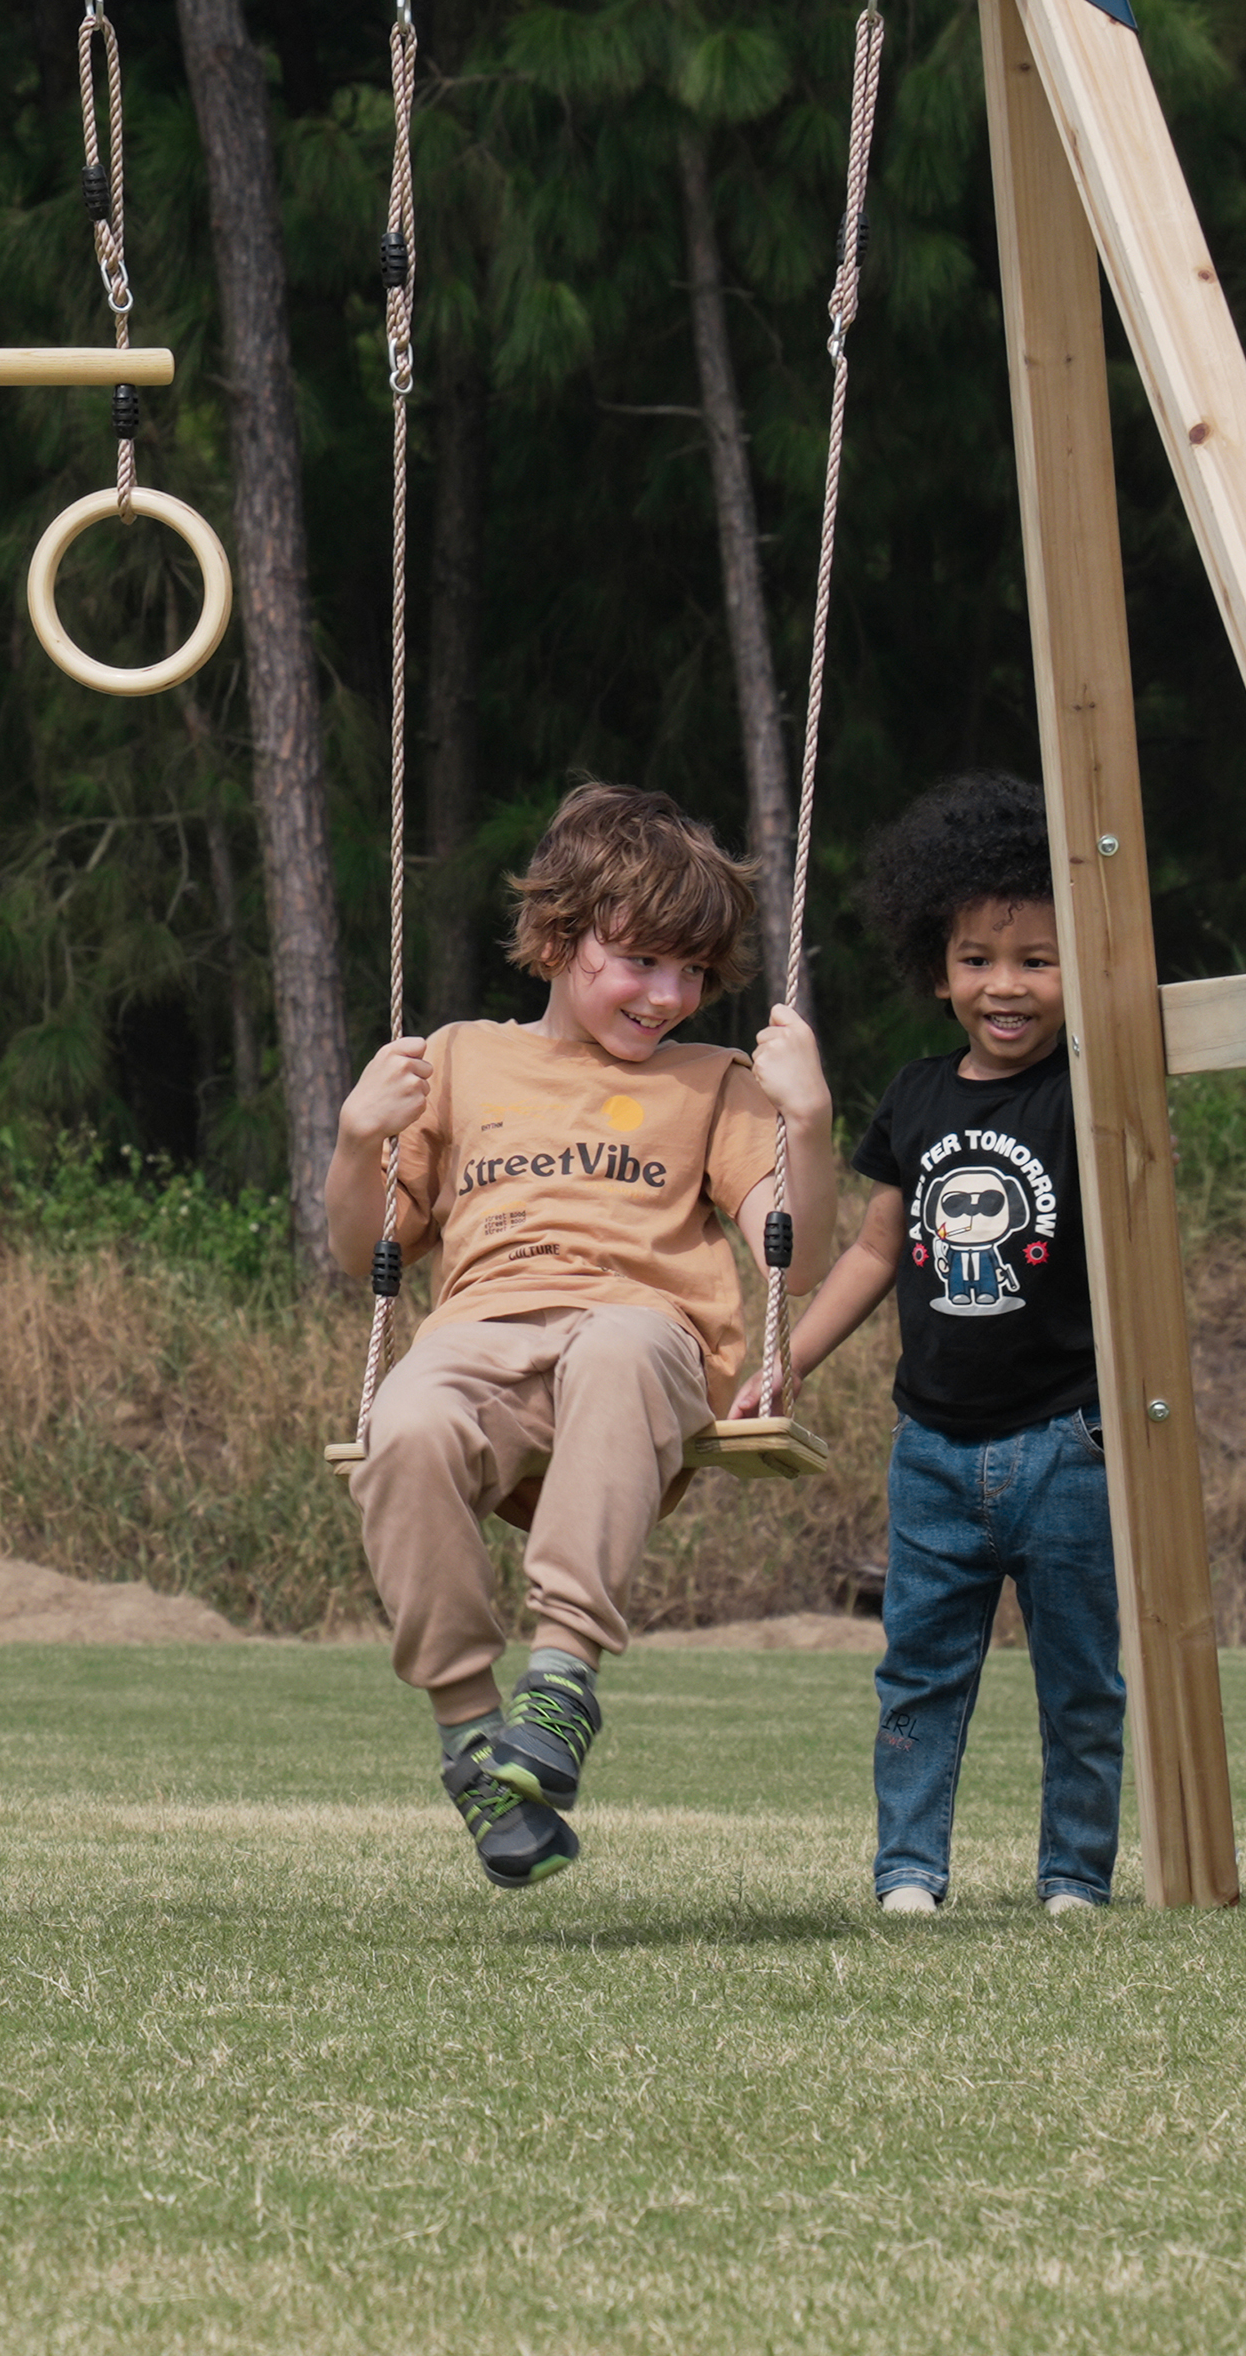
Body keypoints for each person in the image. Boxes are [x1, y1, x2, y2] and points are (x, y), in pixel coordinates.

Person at [329, 782, 839, 1891]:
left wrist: (806, 1120)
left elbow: (792, 1248)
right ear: (560, 937)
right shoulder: (459, 1060)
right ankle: (472, 1734)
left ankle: (559, 1683)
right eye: (641, 961)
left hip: (644, 1337)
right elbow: (367, 1241)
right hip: (480, 1333)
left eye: (692, 972)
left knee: (614, 1344)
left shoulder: (716, 1083)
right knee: (401, 1425)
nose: (668, 996)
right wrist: (354, 1135)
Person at [784, 771, 1123, 1919]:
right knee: (918, 1676)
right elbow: (877, 1254)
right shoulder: (920, 1098)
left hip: (1067, 1444)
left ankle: (1074, 1874)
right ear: (938, 971)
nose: (1007, 985)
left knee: (1081, 1684)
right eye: (978, 958)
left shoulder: (1093, 1095)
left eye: (1038, 957)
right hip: (930, 1451)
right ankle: (908, 1873)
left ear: (1080, 969)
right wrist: (786, 1359)